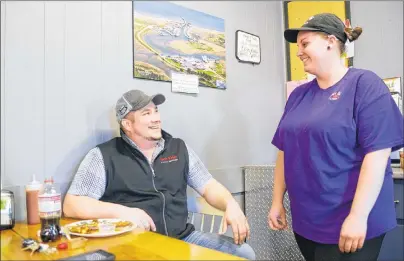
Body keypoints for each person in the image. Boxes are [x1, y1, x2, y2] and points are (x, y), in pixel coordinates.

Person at [268, 13, 404, 261]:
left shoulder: (365, 85)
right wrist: (277, 200)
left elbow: (377, 156)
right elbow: (284, 150)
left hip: (350, 221)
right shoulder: (298, 96)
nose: (299, 52)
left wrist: (358, 216)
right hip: (307, 221)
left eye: (305, 43)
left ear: (330, 41)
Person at [63, 89, 255, 260]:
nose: (156, 118)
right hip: (134, 243)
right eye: (146, 113)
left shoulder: (179, 148)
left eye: (156, 111)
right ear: (127, 124)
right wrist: (123, 212)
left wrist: (230, 204)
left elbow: (209, 186)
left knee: (244, 254)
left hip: (183, 237)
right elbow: (72, 204)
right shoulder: (104, 155)